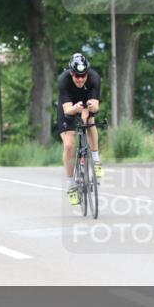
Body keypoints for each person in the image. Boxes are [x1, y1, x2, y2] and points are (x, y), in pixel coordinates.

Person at [57, 52, 102, 205]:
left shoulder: (94, 78)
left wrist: (92, 107)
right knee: (69, 145)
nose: (81, 79)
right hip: (69, 107)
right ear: (71, 73)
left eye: (84, 75)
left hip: (85, 103)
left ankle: (95, 160)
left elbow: (95, 105)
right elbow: (68, 111)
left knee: (90, 121)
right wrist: (76, 109)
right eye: (77, 76)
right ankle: (71, 185)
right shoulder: (63, 80)